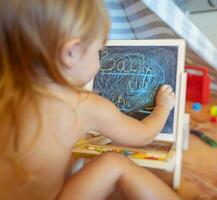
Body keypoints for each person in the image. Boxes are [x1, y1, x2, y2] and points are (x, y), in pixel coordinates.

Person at [0, 0, 180, 199]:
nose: (100, 58)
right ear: (71, 52)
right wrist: (163, 107)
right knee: (113, 163)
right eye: (98, 51)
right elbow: (143, 135)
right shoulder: (81, 105)